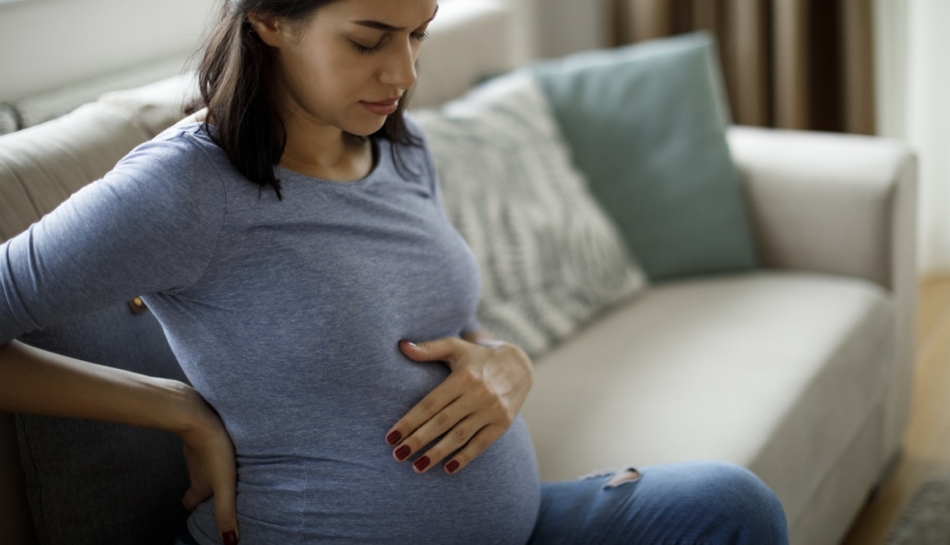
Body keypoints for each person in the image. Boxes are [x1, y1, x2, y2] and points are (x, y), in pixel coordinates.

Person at [0, 0, 790, 543]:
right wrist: (176, 408)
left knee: (730, 507)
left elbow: (446, 324)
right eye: (370, 38)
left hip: (509, 523)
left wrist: (502, 363)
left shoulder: (399, 148)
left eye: (420, 34)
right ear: (271, 18)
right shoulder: (183, 188)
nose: (405, 72)